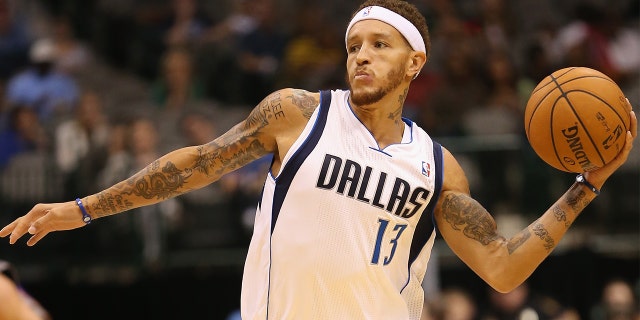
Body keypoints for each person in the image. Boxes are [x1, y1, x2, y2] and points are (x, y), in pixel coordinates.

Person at [0, 1, 636, 319]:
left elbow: (500, 269)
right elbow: (192, 165)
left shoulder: (440, 169)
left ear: (415, 62)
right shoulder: (299, 113)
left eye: (379, 45)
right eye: (353, 43)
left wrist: (587, 185)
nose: (360, 55)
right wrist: (82, 209)